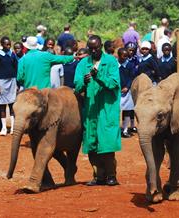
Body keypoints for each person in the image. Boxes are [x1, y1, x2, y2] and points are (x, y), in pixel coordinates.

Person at [74, 35, 121, 186]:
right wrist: (84, 81)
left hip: (107, 108)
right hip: (91, 108)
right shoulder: (83, 63)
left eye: (96, 48)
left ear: (101, 46)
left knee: (106, 142)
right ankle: (98, 175)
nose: (93, 51)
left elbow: (114, 83)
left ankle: (111, 175)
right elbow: (77, 85)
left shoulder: (111, 62)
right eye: (91, 48)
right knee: (91, 142)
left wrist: (98, 76)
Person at [0, 36, 17, 136]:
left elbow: (16, 68)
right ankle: (3, 128)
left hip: (12, 81)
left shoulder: (12, 54)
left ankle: (12, 127)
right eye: (6, 44)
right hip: (1, 82)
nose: (8, 46)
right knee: (2, 105)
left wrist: (17, 83)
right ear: (1, 45)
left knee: (12, 105)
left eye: (9, 44)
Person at [118, 48, 136, 138]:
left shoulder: (130, 65)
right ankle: (116, 129)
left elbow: (132, 77)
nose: (125, 58)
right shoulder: (115, 65)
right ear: (118, 55)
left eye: (126, 56)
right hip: (116, 91)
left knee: (127, 110)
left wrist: (127, 87)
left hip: (126, 91)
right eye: (123, 56)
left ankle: (125, 129)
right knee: (116, 110)